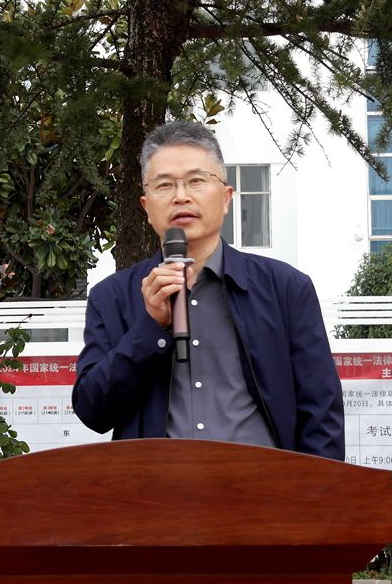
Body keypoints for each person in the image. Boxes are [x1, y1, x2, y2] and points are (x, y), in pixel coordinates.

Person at [72, 120, 345, 460]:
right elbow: (93, 411)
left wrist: (316, 492)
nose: (181, 196)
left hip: (263, 486)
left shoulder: (286, 288)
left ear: (226, 198)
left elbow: (321, 411)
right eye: (164, 185)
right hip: (157, 490)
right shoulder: (112, 297)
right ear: (146, 207)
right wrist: (150, 329)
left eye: (197, 181)